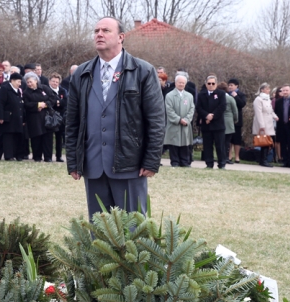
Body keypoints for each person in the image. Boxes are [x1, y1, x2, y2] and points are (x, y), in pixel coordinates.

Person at [65, 16, 164, 217]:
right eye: (96, 31)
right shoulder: (81, 74)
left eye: (105, 30)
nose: (99, 34)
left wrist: (151, 160)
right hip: (93, 165)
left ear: (121, 37)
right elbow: (72, 122)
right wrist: (74, 161)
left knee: (133, 227)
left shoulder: (143, 71)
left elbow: (156, 120)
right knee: (100, 229)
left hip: (130, 164)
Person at [163, 74, 194, 168]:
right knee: (174, 143)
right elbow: (169, 110)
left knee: (185, 143)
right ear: (175, 83)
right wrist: (179, 120)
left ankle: (184, 162)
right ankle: (175, 162)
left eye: (183, 83)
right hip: (174, 124)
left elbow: (192, 109)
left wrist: (187, 120)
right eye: (179, 82)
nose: (181, 84)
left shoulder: (189, 96)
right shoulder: (169, 95)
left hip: (185, 124)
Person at [0, 72, 25, 161]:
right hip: (7, 118)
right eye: (18, 82)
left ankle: (16, 154)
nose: (20, 84)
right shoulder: (5, 88)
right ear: (12, 81)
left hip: (17, 118)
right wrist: (0, 117)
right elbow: (0, 103)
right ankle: (8, 155)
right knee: (7, 137)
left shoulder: (19, 90)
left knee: (16, 137)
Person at [197, 75, 227, 169]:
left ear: (216, 84)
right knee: (208, 146)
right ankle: (209, 163)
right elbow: (198, 108)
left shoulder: (221, 94)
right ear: (206, 84)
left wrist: (212, 116)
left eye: (213, 83)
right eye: (209, 83)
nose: (211, 85)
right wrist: (206, 116)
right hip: (206, 125)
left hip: (218, 124)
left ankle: (222, 164)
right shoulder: (201, 94)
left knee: (220, 146)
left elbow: (222, 107)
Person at [252, 83, 277, 168]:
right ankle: (263, 160)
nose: (268, 90)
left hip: (269, 122)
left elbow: (270, 110)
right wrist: (262, 125)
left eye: (269, 89)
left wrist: (275, 117)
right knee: (264, 142)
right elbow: (258, 113)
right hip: (262, 123)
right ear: (262, 90)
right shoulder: (258, 99)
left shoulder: (268, 99)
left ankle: (264, 159)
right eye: (267, 89)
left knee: (267, 142)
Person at [273, 84, 290, 168]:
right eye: (284, 90)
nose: (285, 92)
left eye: (287, 90)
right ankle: (284, 161)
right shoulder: (278, 101)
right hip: (281, 125)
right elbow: (276, 112)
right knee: (282, 144)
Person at [47, 73, 67, 162]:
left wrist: (58, 102)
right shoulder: (46, 90)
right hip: (50, 117)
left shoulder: (63, 91)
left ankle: (59, 156)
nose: (55, 83)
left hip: (60, 117)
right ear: (49, 81)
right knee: (49, 138)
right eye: (53, 81)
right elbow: (49, 103)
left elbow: (65, 102)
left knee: (59, 138)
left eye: (57, 82)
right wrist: (58, 102)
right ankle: (48, 156)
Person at [217, 81, 238, 166]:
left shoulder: (217, 98)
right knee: (227, 141)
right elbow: (235, 111)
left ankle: (220, 157)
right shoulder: (230, 98)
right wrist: (235, 120)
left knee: (220, 141)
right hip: (229, 122)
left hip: (219, 121)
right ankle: (225, 157)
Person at [226, 78, 246, 164]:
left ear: (236, 86)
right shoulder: (226, 94)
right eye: (229, 85)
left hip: (237, 119)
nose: (230, 87)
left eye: (232, 85)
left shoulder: (241, 94)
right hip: (228, 120)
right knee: (229, 139)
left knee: (237, 139)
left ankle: (237, 156)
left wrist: (236, 96)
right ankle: (229, 156)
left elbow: (242, 104)